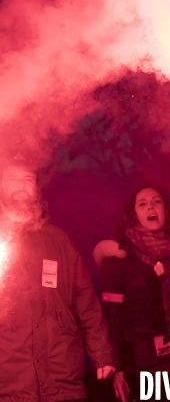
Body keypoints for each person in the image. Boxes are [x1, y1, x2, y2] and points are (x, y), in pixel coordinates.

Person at [0, 153, 116, 402]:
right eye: (13, 178)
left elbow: (85, 301)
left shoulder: (59, 241)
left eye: (28, 179)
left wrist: (102, 353)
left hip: (62, 380)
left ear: (36, 187)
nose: (21, 185)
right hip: (10, 384)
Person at [94, 186, 170, 402]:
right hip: (142, 366)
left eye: (157, 201)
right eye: (142, 203)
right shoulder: (119, 258)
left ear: (166, 210)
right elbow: (112, 316)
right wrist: (118, 368)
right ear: (134, 214)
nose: (150, 206)